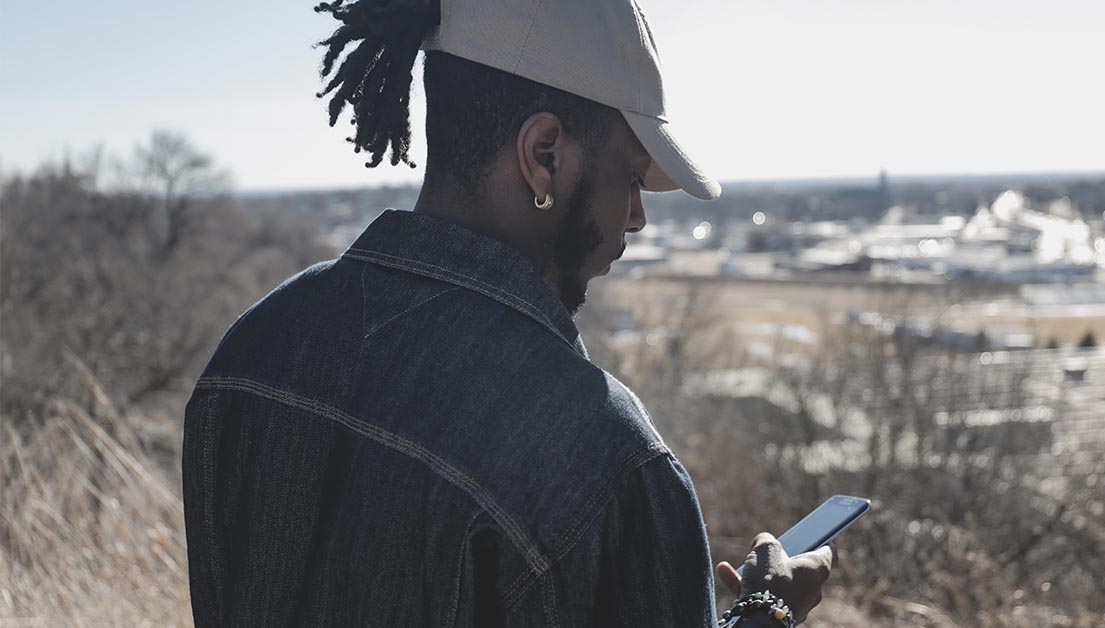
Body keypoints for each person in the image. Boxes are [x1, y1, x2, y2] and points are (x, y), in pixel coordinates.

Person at [180, 0, 836, 626]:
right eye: (633, 179)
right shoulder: (605, 459)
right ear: (544, 155)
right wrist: (767, 611)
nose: (637, 215)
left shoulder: (252, 352)